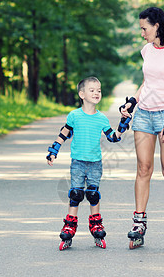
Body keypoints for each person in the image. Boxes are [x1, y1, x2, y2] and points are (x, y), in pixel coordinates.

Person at [119, 7, 164, 250]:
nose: (142, 33)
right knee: (143, 169)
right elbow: (147, 83)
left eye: (144, 28)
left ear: (156, 26)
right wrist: (133, 101)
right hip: (144, 115)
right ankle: (139, 224)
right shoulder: (146, 50)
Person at [47, 76, 131, 250]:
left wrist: (123, 122)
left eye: (99, 90)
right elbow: (64, 133)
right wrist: (54, 150)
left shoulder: (101, 119)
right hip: (78, 162)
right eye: (92, 90)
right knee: (76, 194)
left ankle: (96, 225)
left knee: (93, 194)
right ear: (82, 94)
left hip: (95, 164)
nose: (96, 93)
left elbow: (113, 137)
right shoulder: (74, 116)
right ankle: (69, 225)